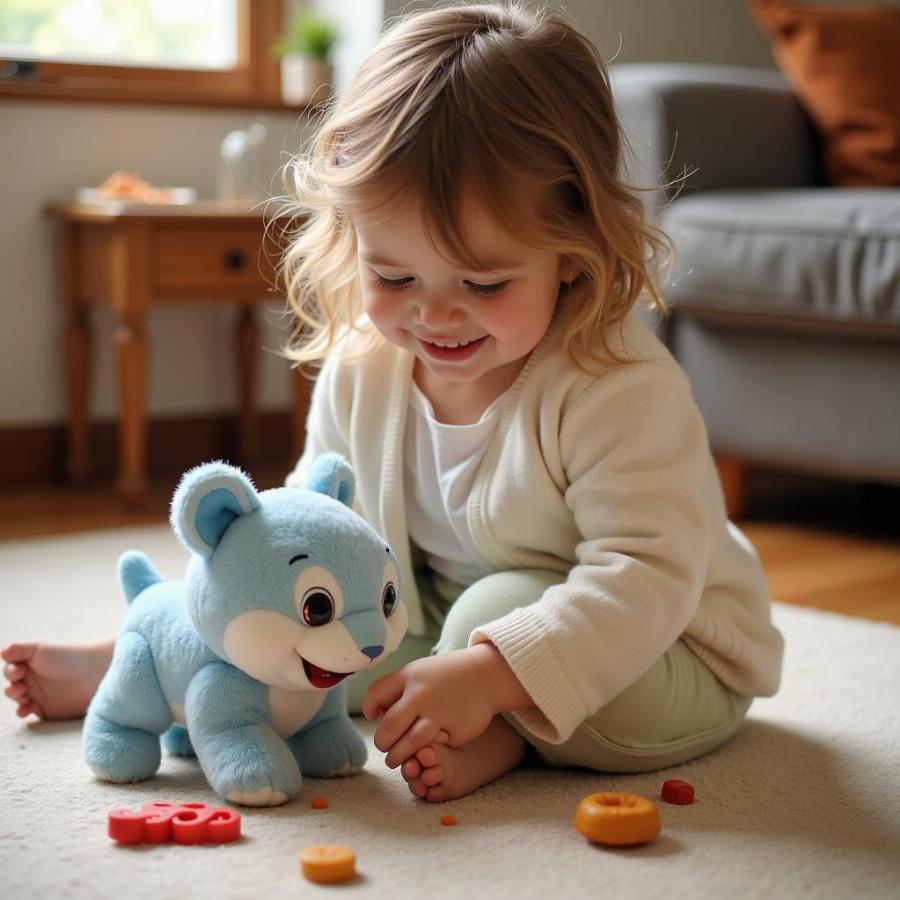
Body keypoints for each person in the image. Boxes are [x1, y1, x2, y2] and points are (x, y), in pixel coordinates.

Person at [3, 2, 783, 803]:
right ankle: (153, 656)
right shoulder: (364, 367)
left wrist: (487, 675)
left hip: (665, 647)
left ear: (574, 253)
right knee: (330, 625)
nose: (435, 316)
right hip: (435, 613)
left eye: (483, 283)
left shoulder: (616, 385)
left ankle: (505, 734)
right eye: (395, 277)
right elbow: (300, 531)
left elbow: (646, 576)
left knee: (494, 606)